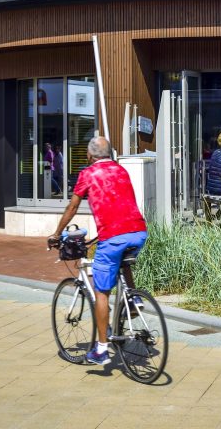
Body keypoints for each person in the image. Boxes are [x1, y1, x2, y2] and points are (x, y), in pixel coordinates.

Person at [50, 137, 147, 366]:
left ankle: (101, 349)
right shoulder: (121, 170)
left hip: (113, 237)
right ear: (110, 153)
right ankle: (133, 300)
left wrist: (57, 233)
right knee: (122, 261)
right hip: (138, 232)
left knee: (101, 291)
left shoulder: (88, 174)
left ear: (89, 155)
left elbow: (73, 207)